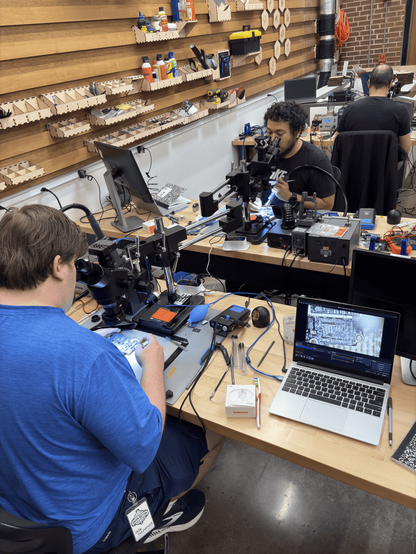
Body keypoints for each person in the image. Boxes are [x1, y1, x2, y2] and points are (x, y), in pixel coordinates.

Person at [0, 205, 223, 554]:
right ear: (58, 266)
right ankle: (151, 519)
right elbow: (144, 447)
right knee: (205, 433)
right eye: (74, 264)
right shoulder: (81, 355)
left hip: (14, 517)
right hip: (85, 529)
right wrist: (152, 361)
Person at [260, 101, 336, 211]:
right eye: (269, 132)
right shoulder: (264, 153)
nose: (272, 139)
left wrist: (291, 197)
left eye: (279, 134)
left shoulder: (316, 160)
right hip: (267, 217)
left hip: (298, 222)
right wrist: (254, 201)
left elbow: (327, 204)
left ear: (297, 132)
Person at [336, 64, 411, 154]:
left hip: (354, 167)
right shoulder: (401, 110)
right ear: (390, 84)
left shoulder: (350, 109)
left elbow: (336, 142)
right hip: (386, 167)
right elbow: (405, 148)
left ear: (369, 83)